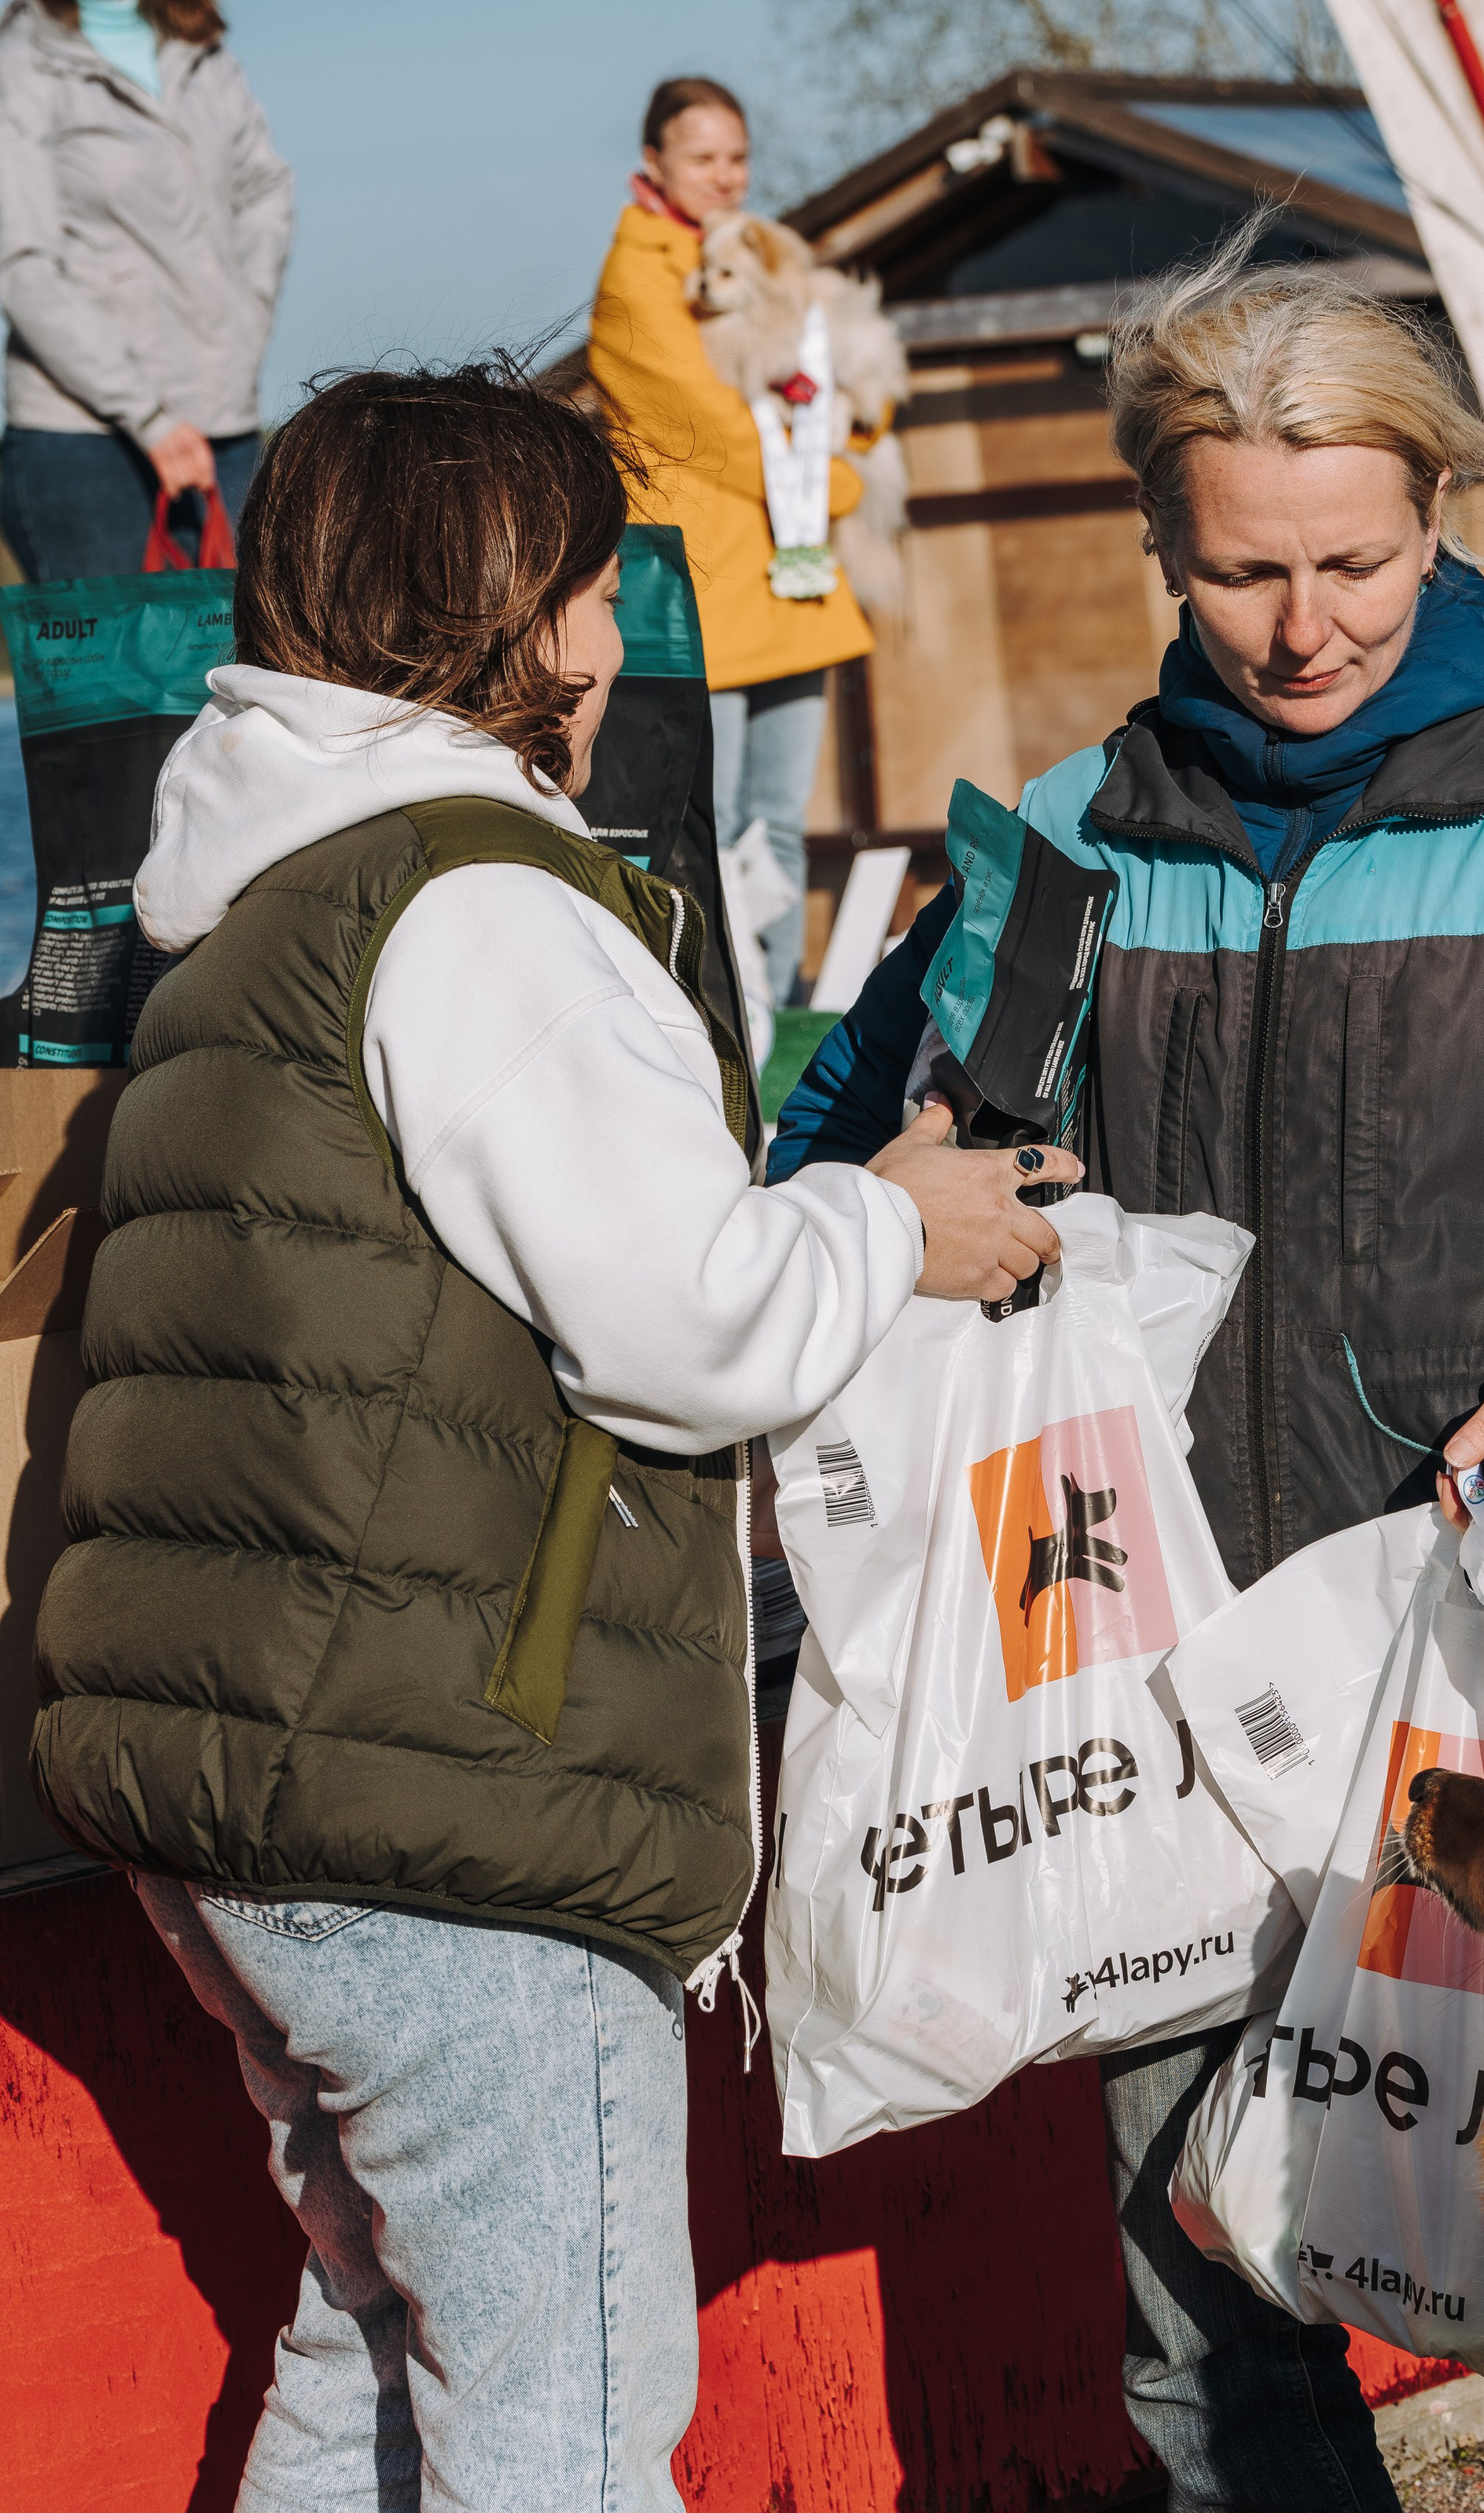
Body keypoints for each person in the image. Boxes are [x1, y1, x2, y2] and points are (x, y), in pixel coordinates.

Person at [768, 239, 1484, 2513]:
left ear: (1440, 517)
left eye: (1355, 560)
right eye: (1243, 569)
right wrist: (942, 1201)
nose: (1304, 626)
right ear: (1161, 547)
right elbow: (836, 1177)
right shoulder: (1056, 845)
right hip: (1148, 1707)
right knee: (1205, 2316)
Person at [30, 359, 1074, 2512]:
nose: (609, 642)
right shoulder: (488, 899)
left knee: (380, 2339)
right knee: (569, 2410)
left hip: (243, 1782)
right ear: (533, 613)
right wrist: (894, 1218)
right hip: (450, 1808)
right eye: (593, 589)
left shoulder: (246, 888)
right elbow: (689, 1325)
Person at [588, 73, 871, 1003]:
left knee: (777, 822)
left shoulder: (757, 251)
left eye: (738, 156)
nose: (724, 174)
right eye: (702, 156)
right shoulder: (638, 271)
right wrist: (830, 477)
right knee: (713, 821)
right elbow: (697, 424)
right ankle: (722, 1013)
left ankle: (779, 1014)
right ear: (654, 162)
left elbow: (821, 372)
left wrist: (856, 421)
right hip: (709, 580)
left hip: (788, 571)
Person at [0, 0, 293, 579]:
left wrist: (243, 321)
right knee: (116, 696)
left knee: (245, 679)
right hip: (83, 440)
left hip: (221, 423)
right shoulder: (21, 67)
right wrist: (149, 416)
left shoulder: (200, 50)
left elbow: (265, 189)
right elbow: (22, 266)